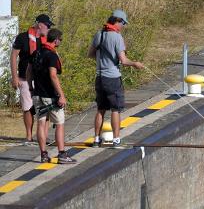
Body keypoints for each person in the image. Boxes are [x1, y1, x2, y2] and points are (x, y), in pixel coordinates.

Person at [87, 9, 144, 148]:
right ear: (117, 21)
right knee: (115, 109)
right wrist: (135, 64)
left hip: (99, 78)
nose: (123, 26)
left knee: (100, 109)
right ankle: (116, 139)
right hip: (112, 78)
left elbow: (90, 54)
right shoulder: (117, 37)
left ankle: (96, 139)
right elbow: (123, 61)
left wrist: (103, 60)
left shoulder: (99, 34)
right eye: (123, 23)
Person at [27, 28, 76, 164]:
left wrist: (31, 87)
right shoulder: (52, 55)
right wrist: (61, 95)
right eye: (60, 40)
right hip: (50, 96)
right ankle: (61, 154)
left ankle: (43, 154)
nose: (60, 41)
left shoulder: (36, 52)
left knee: (41, 123)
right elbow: (53, 76)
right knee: (59, 123)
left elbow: (29, 70)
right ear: (56, 40)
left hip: (37, 94)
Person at [9, 14, 53, 145]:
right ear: (40, 24)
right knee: (28, 107)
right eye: (48, 26)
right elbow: (13, 56)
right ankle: (28, 136)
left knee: (45, 106)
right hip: (24, 77)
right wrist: (14, 77)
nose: (49, 29)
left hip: (43, 79)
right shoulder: (22, 38)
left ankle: (44, 135)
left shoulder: (47, 39)